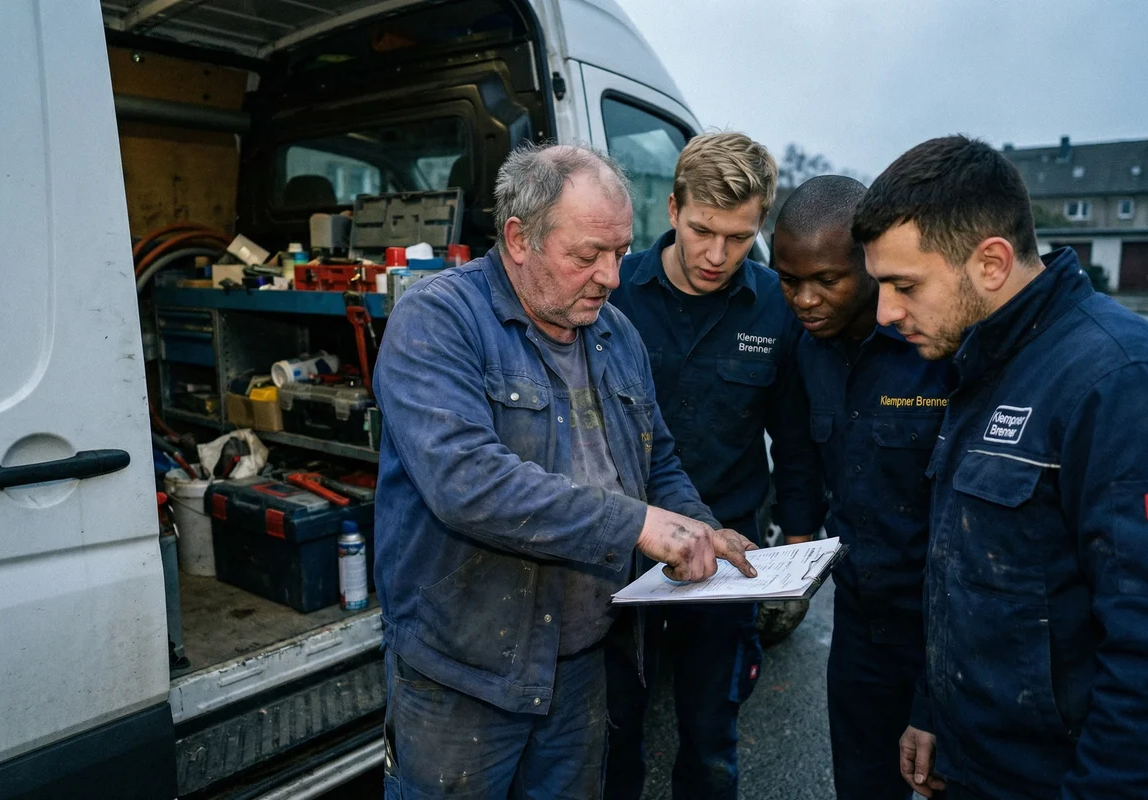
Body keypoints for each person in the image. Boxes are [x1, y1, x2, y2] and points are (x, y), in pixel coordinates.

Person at [371, 143, 758, 799]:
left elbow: (655, 458)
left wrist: (700, 528)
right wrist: (635, 526)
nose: (610, 276)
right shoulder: (438, 320)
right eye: (587, 256)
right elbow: (466, 481)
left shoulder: (615, 335)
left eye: (618, 251)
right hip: (464, 673)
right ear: (519, 239)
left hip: (581, 665)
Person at [852, 134, 1148, 799]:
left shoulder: (1125, 385)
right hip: (977, 767)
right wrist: (932, 711)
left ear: (990, 262)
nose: (887, 313)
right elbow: (967, 572)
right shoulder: (984, 362)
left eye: (904, 285)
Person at [606, 132, 823, 800]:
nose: (716, 255)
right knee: (613, 733)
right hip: (623, 544)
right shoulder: (614, 295)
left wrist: (798, 537)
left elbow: (795, 436)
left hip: (727, 558)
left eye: (738, 236)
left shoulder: (773, 307)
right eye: (702, 230)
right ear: (671, 208)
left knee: (710, 745)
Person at [770, 174, 951, 800]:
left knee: (943, 777)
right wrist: (794, 556)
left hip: (943, 624)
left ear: (870, 265)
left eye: (827, 279)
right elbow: (796, 452)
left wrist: (934, 693)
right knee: (863, 782)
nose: (805, 299)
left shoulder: (934, 347)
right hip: (858, 620)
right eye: (789, 280)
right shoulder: (804, 347)